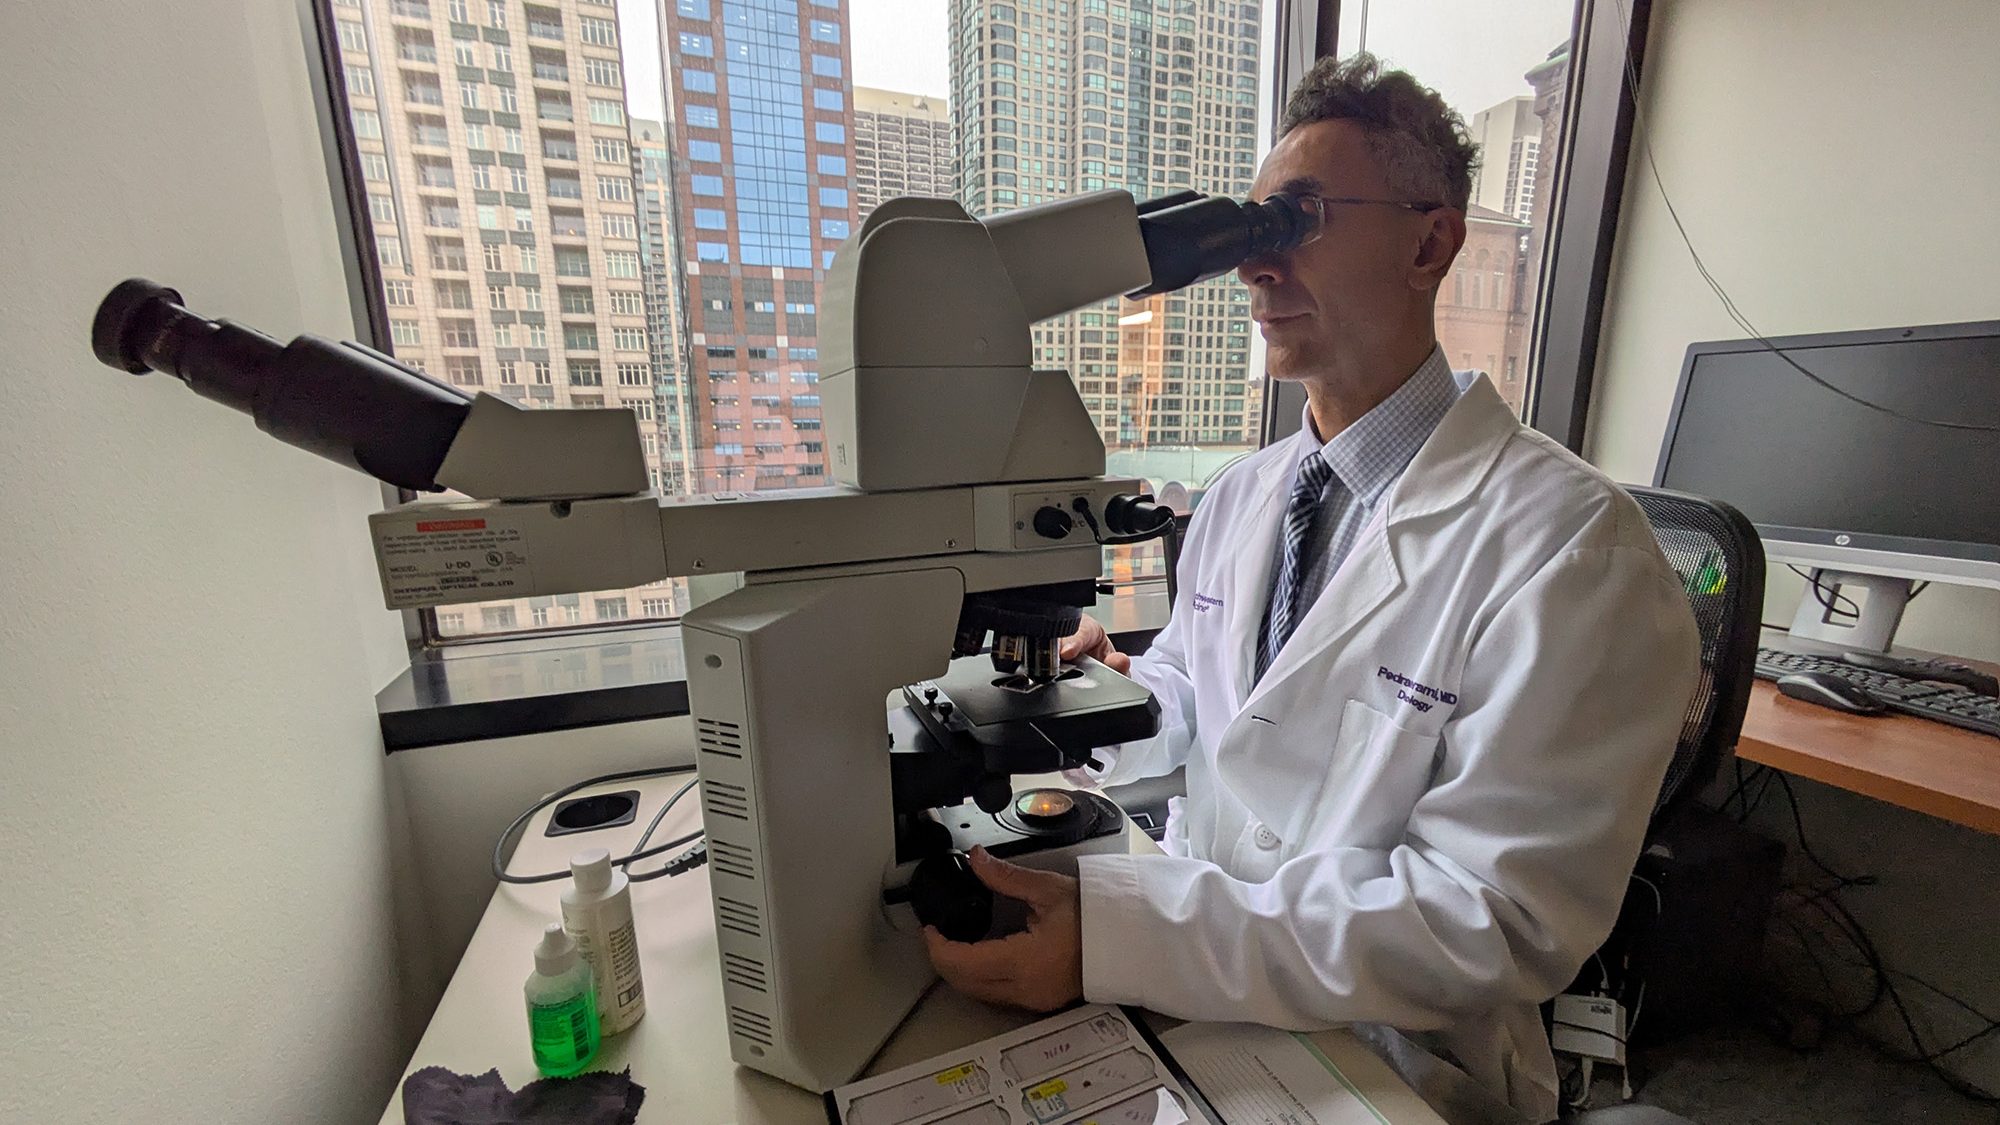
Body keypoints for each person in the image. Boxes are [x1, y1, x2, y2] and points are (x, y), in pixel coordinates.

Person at [923, 54, 1702, 1125]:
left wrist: (1129, 938)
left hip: (1396, 1057)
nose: (1253, 266)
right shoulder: (1241, 497)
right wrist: (1120, 697)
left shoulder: (1572, 552)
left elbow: (1487, 920)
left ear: (1428, 243)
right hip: (1189, 993)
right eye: (1249, 230)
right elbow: (1214, 710)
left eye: (1294, 221)